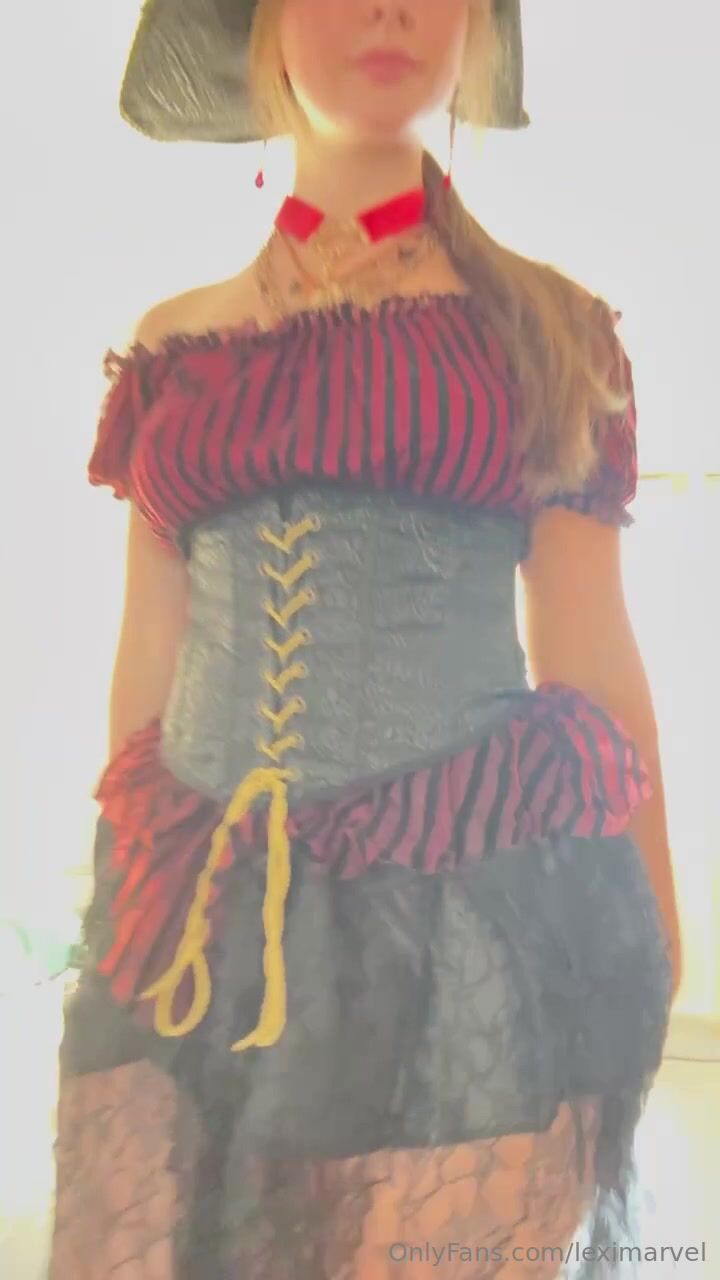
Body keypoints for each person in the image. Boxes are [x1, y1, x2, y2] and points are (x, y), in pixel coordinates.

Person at [50, 1, 681, 1276]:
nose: (390, 6)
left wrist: (652, 940)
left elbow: (592, 658)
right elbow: (147, 666)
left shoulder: (549, 329)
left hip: (459, 925)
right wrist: (128, 892)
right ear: (263, 26)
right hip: (193, 933)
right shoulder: (174, 348)